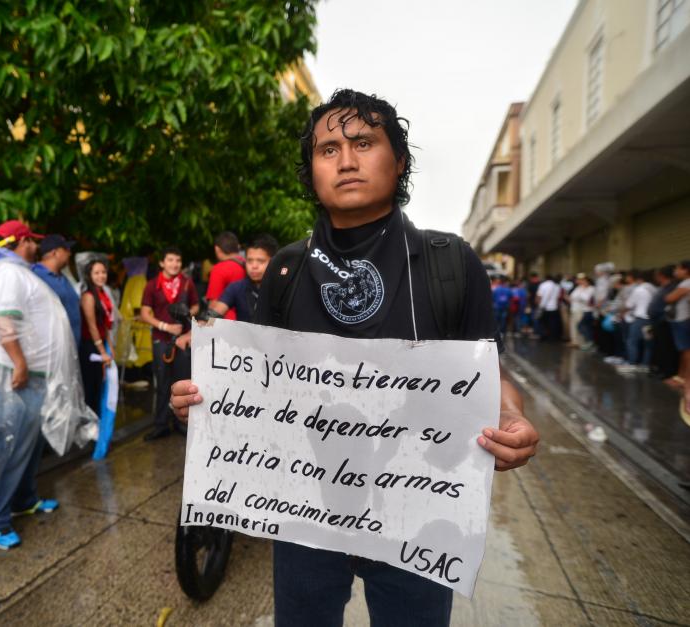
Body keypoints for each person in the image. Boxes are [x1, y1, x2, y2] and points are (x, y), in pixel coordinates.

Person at [169, 89, 539, 626]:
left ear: (400, 160)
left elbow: (489, 376)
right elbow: (258, 386)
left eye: (363, 143)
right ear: (312, 171)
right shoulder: (285, 270)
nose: (345, 160)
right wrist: (204, 405)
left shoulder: (450, 264)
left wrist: (510, 414)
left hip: (416, 516)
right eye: (328, 149)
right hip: (303, 513)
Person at [0, 220, 95, 550]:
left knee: (29, 443)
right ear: (21, 241)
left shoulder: (16, 271)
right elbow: (4, 321)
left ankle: (24, 499)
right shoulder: (8, 273)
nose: (36, 247)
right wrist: (20, 363)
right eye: (32, 241)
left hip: (34, 375)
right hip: (19, 375)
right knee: (10, 446)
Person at [140, 247, 199, 440]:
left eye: (178, 261)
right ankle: (161, 424)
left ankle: (182, 423)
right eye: (170, 260)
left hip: (182, 341)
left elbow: (196, 305)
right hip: (161, 340)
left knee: (182, 381)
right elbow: (145, 313)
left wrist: (187, 314)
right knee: (162, 382)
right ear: (162, 263)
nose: (174, 264)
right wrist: (165, 326)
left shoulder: (187, 283)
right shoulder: (152, 285)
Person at [210, 235, 278, 323]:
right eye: (249, 261)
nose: (254, 266)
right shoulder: (236, 287)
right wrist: (204, 323)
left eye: (261, 261)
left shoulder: (283, 288)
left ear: (274, 262)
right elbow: (214, 314)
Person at [79, 259, 114, 416]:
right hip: (91, 347)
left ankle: (99, 424)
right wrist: (103, 351)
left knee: (101, 387)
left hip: (101, 344)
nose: (101, 276)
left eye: (103, 272)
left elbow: (104, 324)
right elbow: (92, 326)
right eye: (97, 273)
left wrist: (110, 347)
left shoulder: (103, 293)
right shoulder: (88, 296)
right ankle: (91, 425)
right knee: (91, 389)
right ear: (89, 275)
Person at [32, 235, 81, 346]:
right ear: (55, 253)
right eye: (66, 249)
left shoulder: (63, 277)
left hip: (72, 348)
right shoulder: (36, 277)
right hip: (51, 349)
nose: (70, 253)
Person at [665, 260, 690, 421]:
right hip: (682, 321)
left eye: (678, 268)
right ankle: (682, 378)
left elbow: (669, 298)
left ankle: (683, 379)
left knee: (686, 351)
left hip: (682, 321)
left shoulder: (687, 283)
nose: (675, 271)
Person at [618, 269, 655, 374]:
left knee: (632, 341)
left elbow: (629, 305)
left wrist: (621, 313)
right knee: (648, 344)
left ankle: (632, 363)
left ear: (640, 279)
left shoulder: (639, 289)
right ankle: (645, 365)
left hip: (640, 320)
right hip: (650, 320)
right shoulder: (653, 289)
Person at [205, 232, 246, 320]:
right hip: (248, 319)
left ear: (217, 249)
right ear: (237, 247)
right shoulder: (248, 264)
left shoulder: (219, 269)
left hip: (228, 321)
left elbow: (213, 305)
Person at [567, 273, 595, 349]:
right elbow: (572, 297)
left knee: (581, 327)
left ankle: (582, 342)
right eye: (579, 280)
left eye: (582, 280)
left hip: (582, 310)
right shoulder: (578, 288)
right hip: (574, 308)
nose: (579, 281)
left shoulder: (591, 288)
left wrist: (580, 294)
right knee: (573, 326)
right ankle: (574, 342)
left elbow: (586, 299)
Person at [535, 275, 562, 341]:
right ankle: (552, 337)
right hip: (554, 307)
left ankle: (543, 336)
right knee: (553, 323)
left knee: (543, 323)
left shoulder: (543, 285)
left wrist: (538, 304)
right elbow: (558, 297)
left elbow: (539, 296)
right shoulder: (557, 286)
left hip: (544, 307)